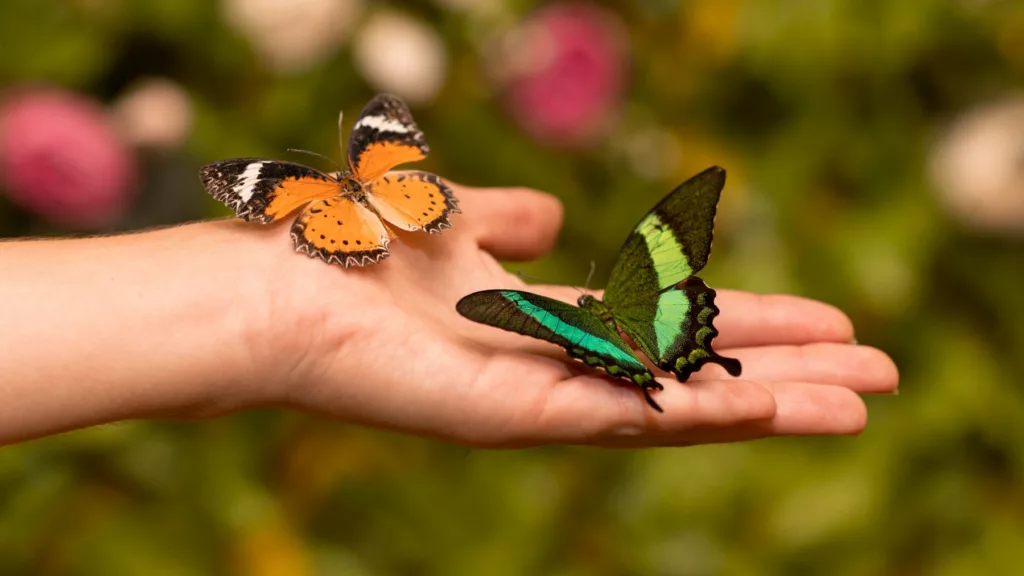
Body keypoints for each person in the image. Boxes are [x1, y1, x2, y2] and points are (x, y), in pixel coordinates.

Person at [0, 180, 898, 448]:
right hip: (638, 328)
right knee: (650, 307)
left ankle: (636, 361)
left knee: (612, 330)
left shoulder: (540, 312)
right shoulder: (616, 283)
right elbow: (648, 260)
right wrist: (269, 302)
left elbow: (519, 310)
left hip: (597, 338)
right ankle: (658, 355)